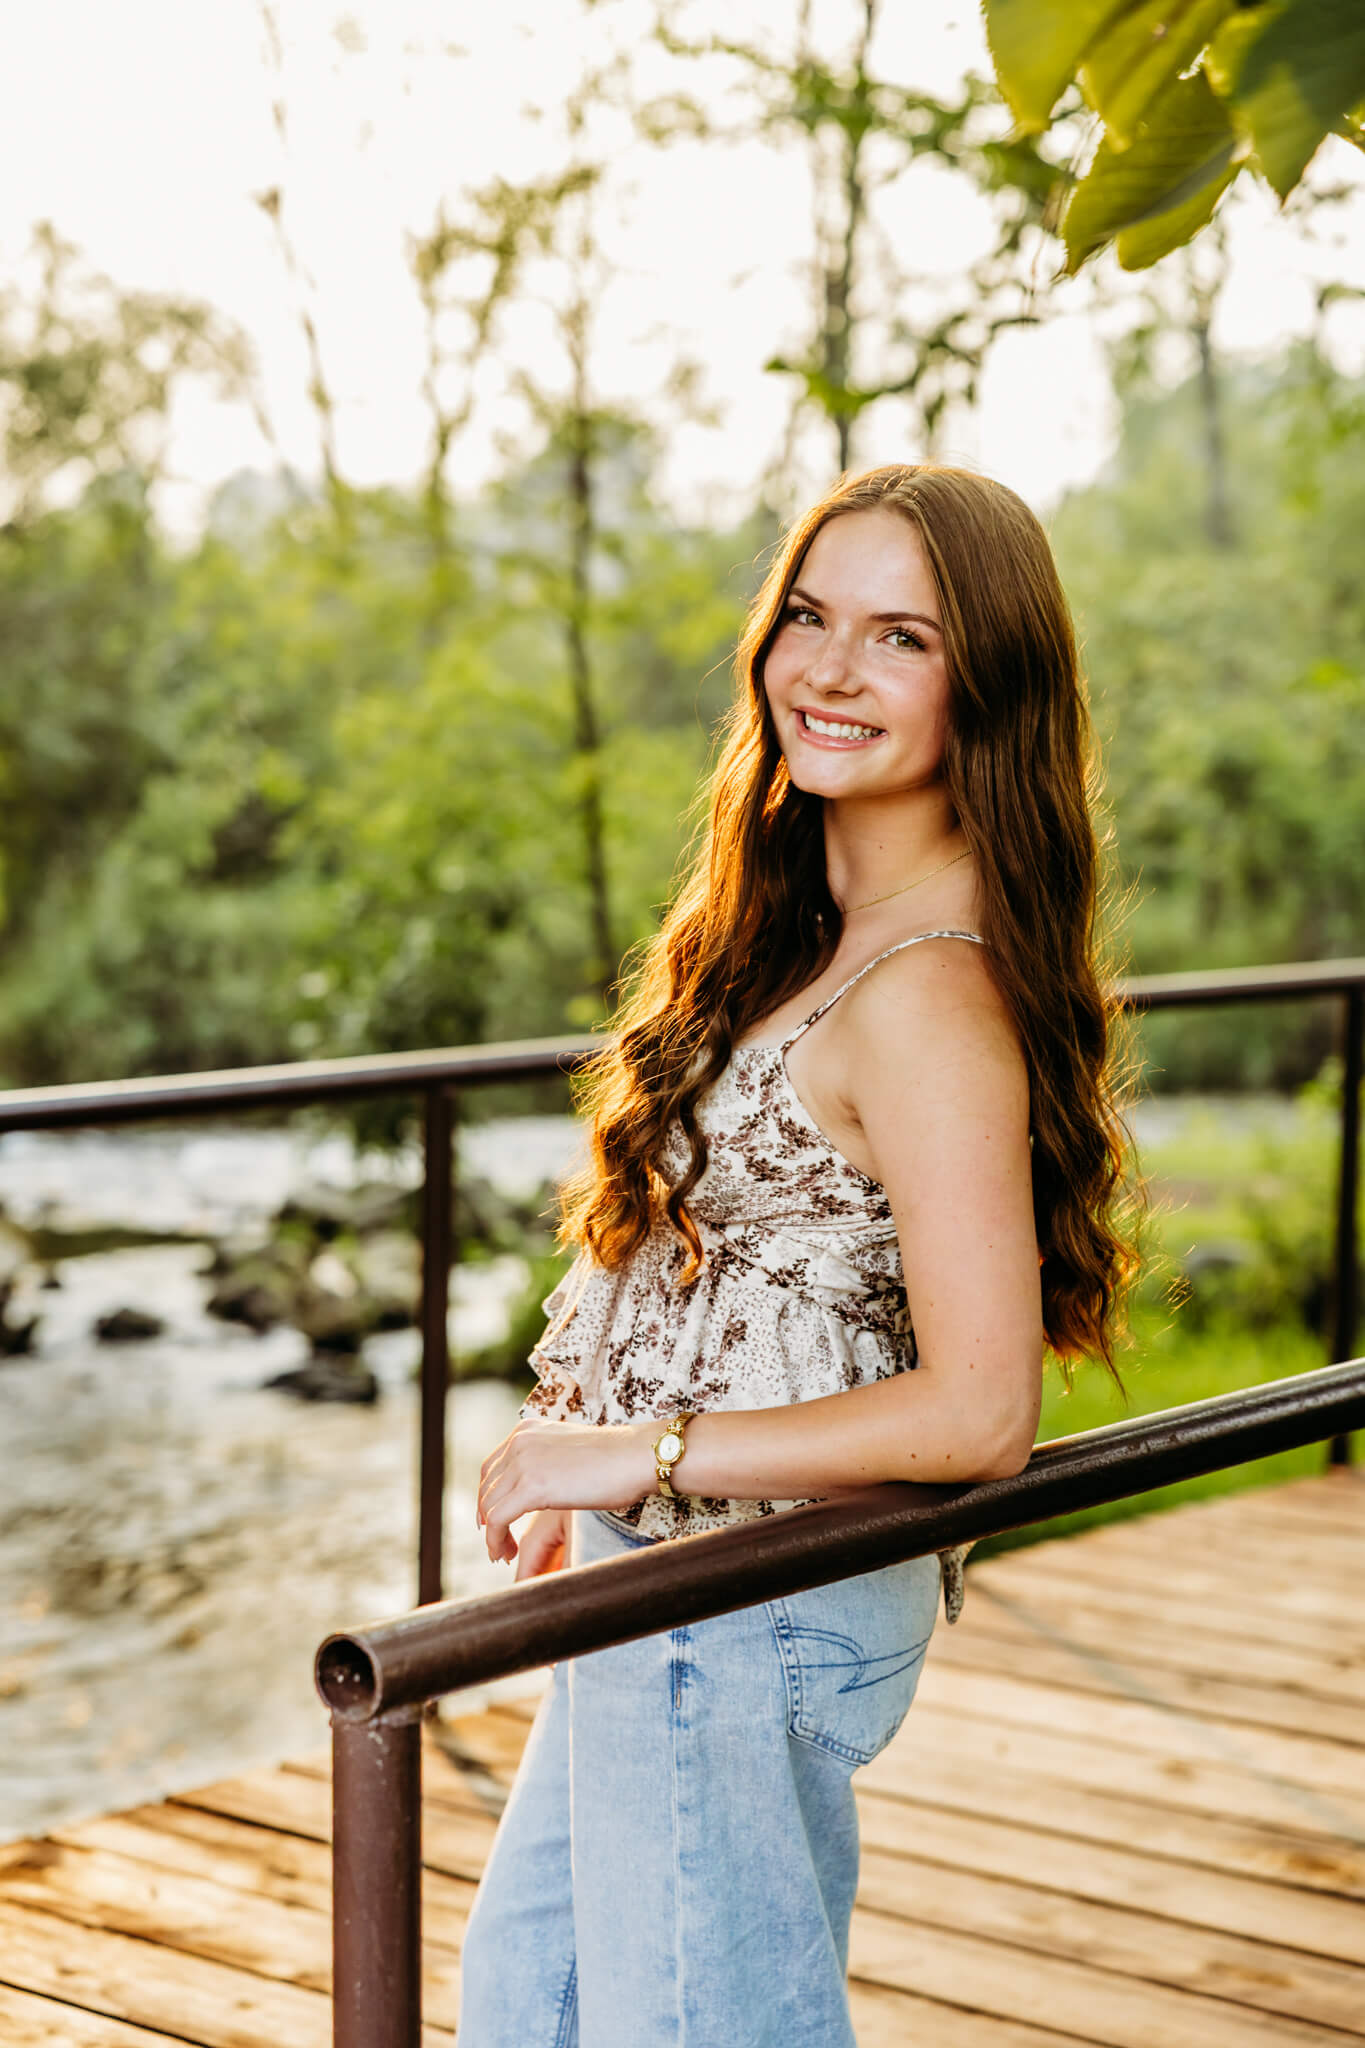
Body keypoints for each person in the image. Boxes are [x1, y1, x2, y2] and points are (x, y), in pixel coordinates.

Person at [459, 462, 1134, 2047]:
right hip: (679, 1580)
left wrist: (638, 1454)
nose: (829, 669)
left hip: (744, 1598)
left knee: (689, 2026)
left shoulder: (923, 996)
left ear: (989, 685)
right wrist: (601, 1466)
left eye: (901, 637)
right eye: (810, 618)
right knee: (535, 2003)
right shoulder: (821, 933)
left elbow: (980, 1415)